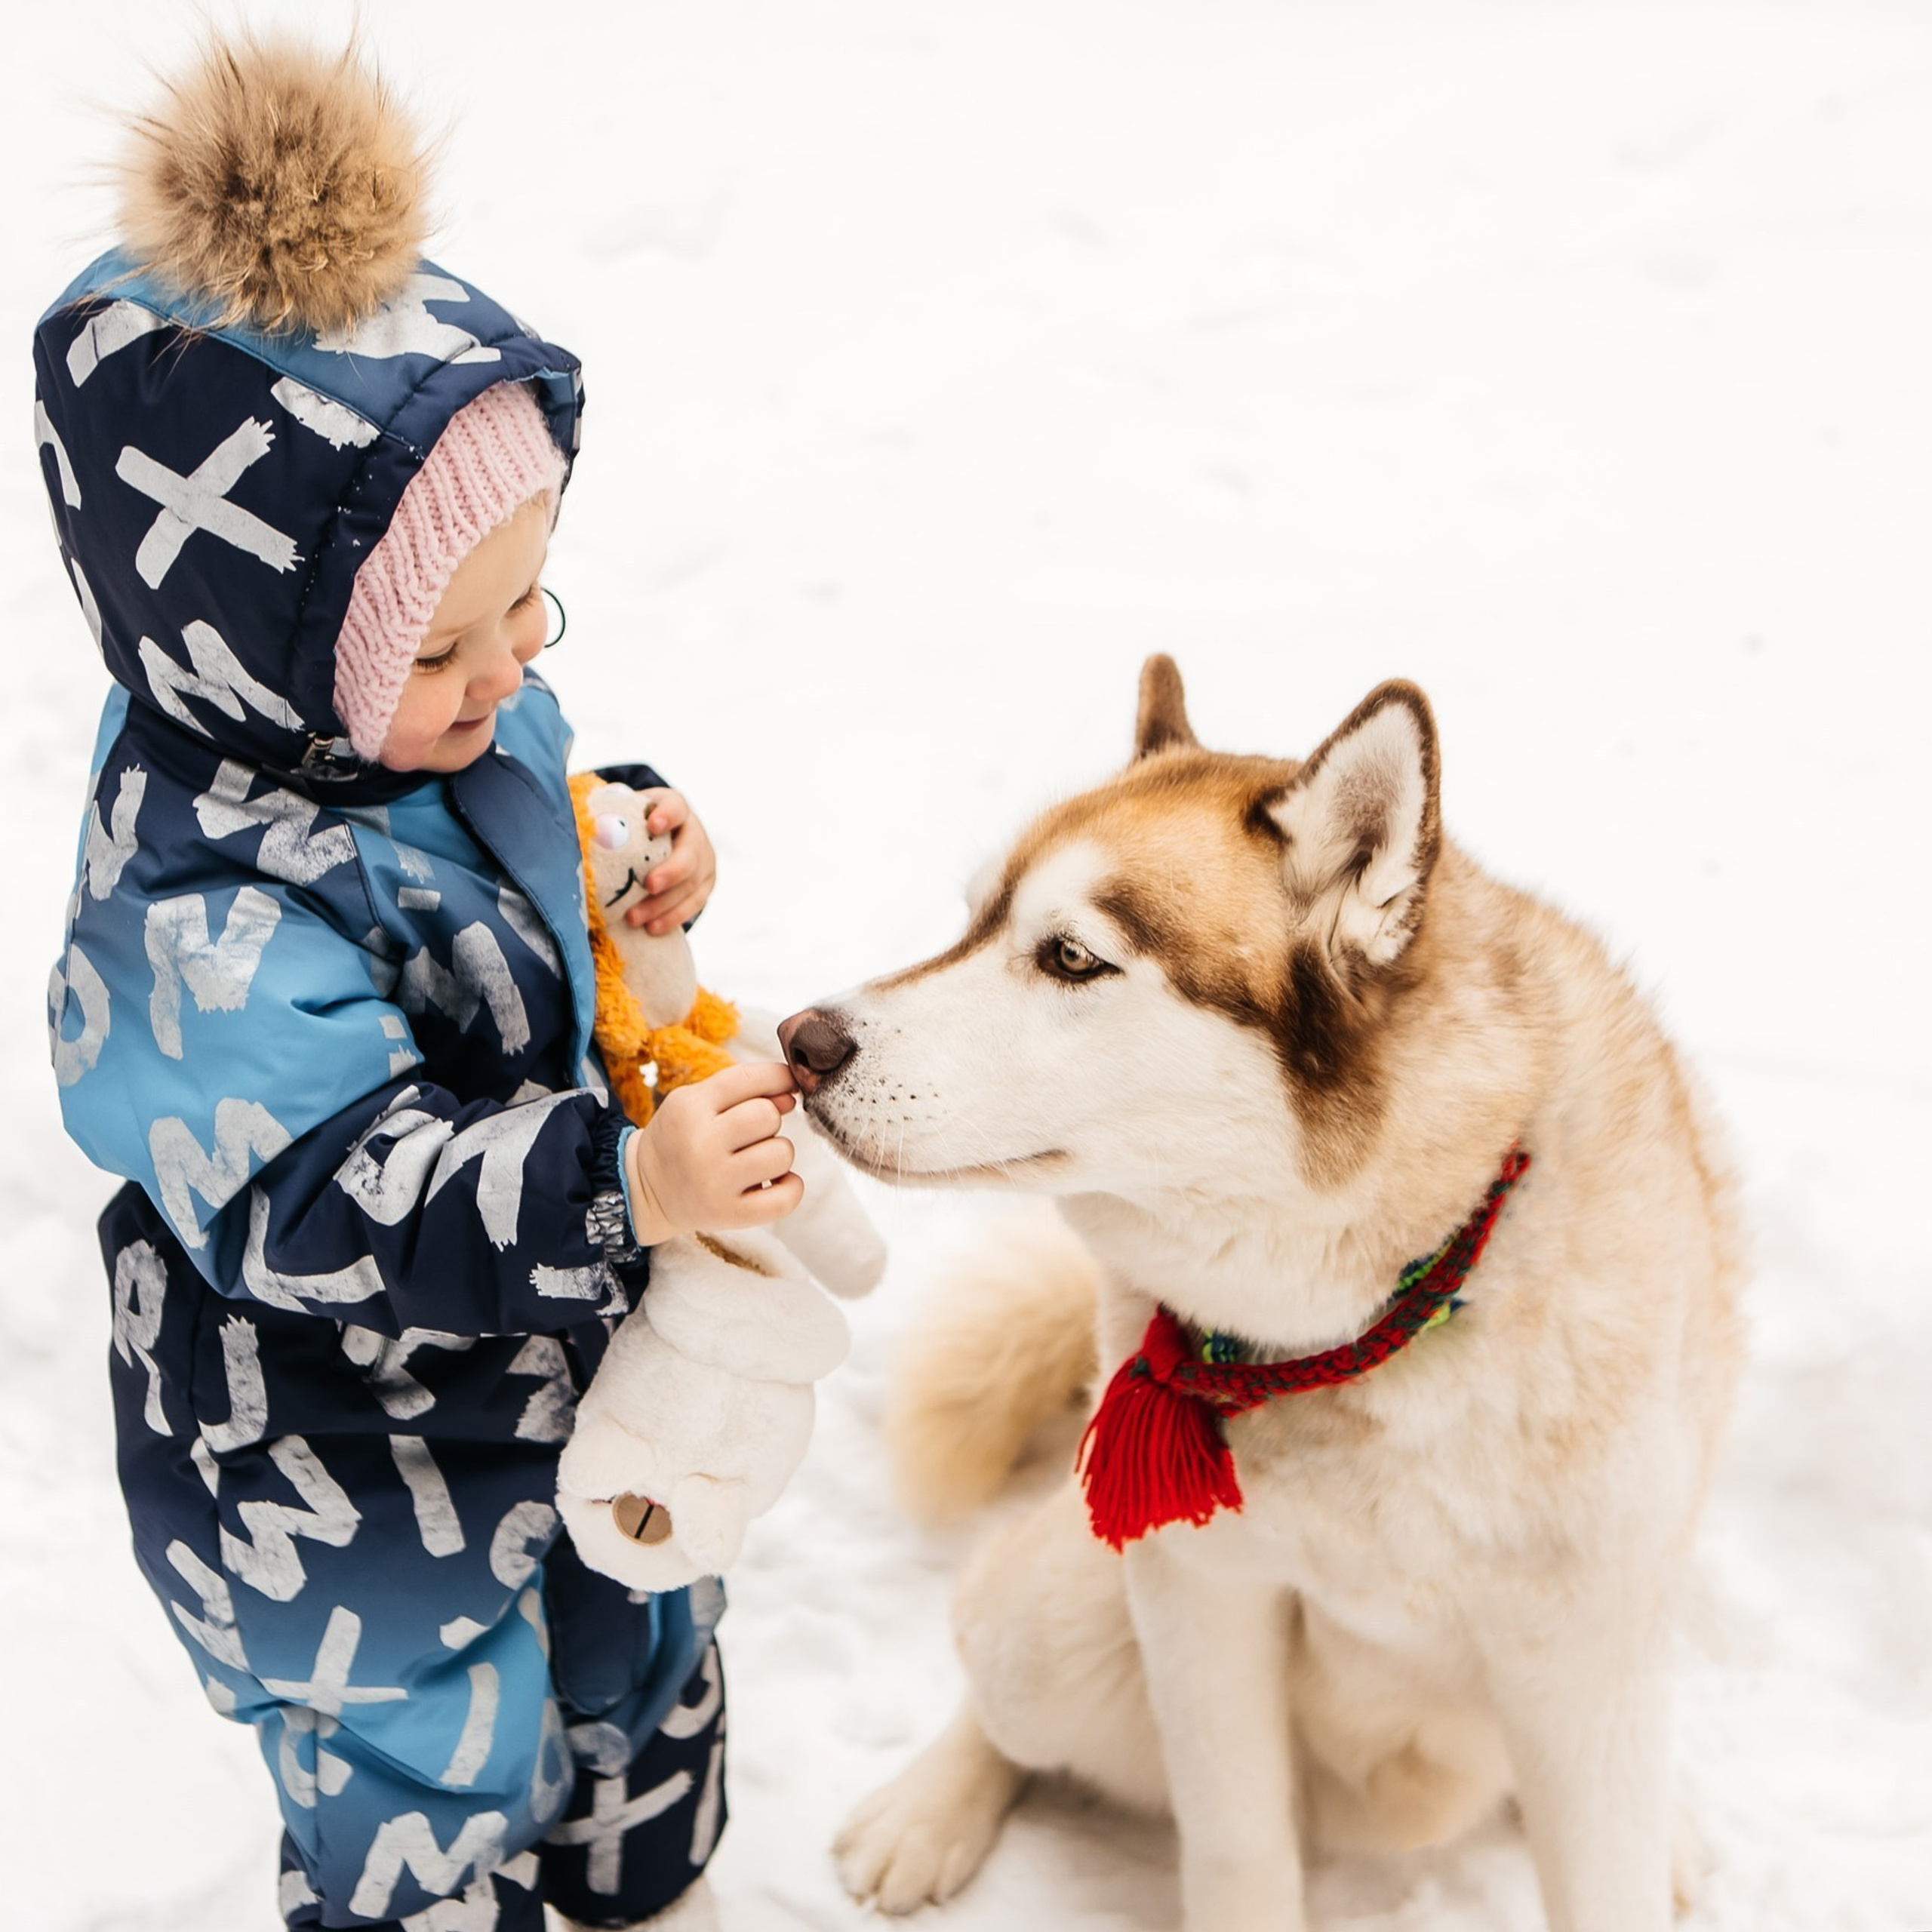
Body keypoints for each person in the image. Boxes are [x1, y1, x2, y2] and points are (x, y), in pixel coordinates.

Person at [37, 32, 801, 1932]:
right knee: (422, 1739)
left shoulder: (428, 728)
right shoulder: (190, 912)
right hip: (339, 1437)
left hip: (560, 1357)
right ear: (265, 659)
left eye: (531, 605)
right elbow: (319, 1191)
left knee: (632, 1608)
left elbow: (494, 838)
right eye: (450, 642)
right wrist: (623, 1187)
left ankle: (645, 1866)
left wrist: (618, 834)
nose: (509, 667)